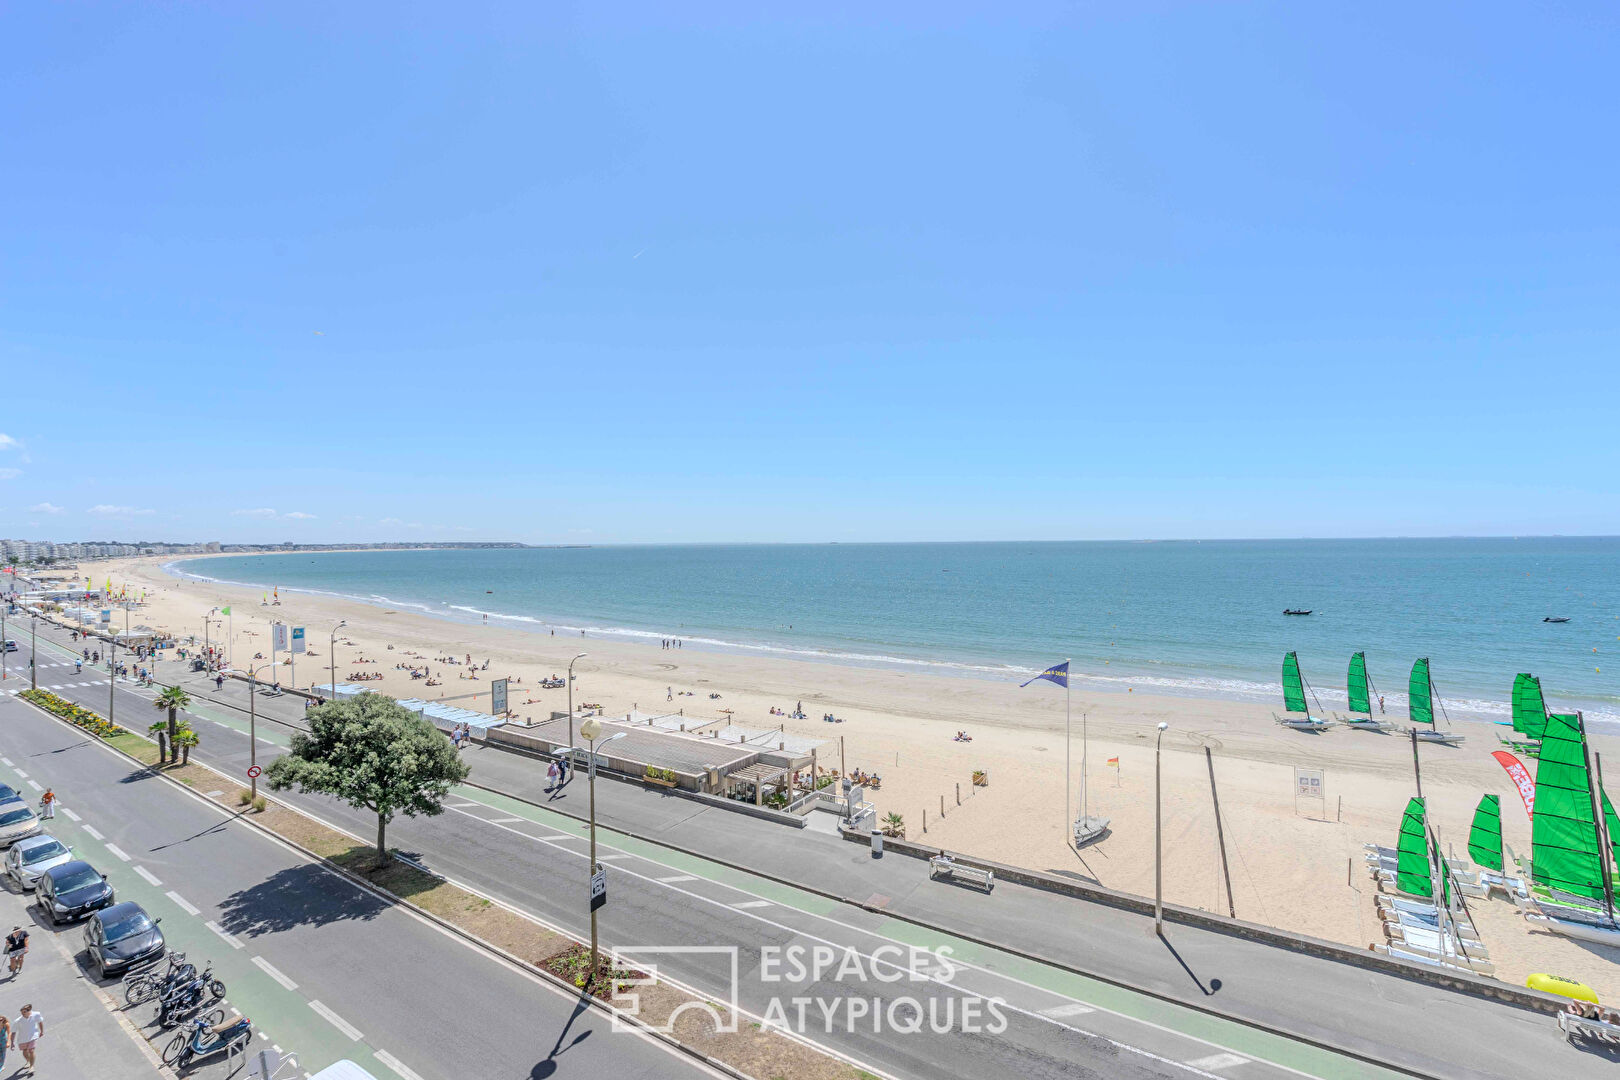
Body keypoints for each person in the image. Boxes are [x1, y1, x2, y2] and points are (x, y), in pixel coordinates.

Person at [12, 1003, 43, 1075]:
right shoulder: (18, 1021)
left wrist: (41, 1031)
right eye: (21, 1012)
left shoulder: (36, 1014)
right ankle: (28, 1061)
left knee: (31, 1051)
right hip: (22, 1039)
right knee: (25, 1052)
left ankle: (32, 1067)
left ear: (29, 1011)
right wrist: (12, 1042)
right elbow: (13, 1032)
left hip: (33, 1036)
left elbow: (40, 1022)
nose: (22, 1013)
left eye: (24, 1012)